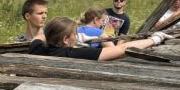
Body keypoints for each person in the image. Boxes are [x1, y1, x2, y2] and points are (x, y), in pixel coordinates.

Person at [29, 17, 171, 61]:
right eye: (75, 34)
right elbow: (121, 49)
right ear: (66, 39)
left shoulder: (36, 48)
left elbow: (39, 36)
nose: (77, 36)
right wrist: (156, 39)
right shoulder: (74, 54)